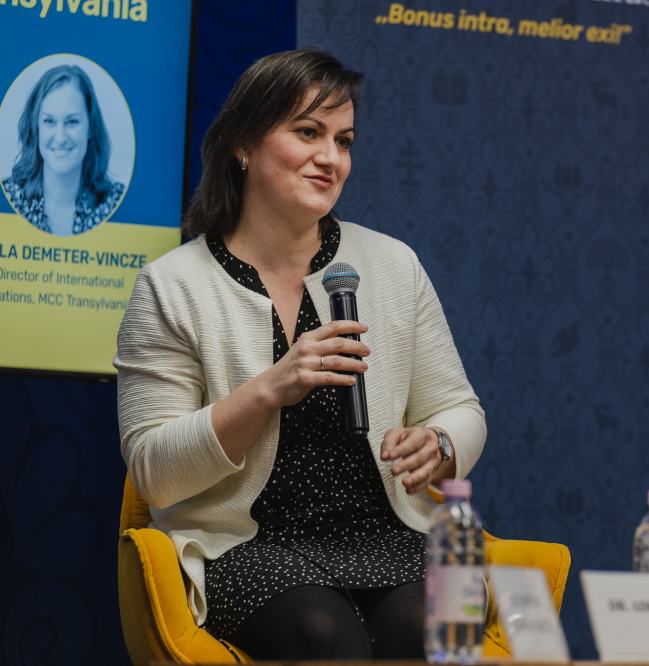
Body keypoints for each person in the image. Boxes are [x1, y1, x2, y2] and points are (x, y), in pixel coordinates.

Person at [114, 49, 486, 660]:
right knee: (322, 632)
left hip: (392, 533)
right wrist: (270, 388)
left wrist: (439, 442)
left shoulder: (393, 265)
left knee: (436, 628)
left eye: (344, 141)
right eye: (308, 132)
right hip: (245, 544)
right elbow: (154, 471)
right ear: (243, 144)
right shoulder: (172, 285)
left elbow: (461, 408)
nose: (331, 158)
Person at [2, 64, 124, 235]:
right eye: (49, 121)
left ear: (90, 128)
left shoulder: (115, 201)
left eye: (72, 121)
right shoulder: (8, 196)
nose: (60, 138)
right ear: (36, 128)